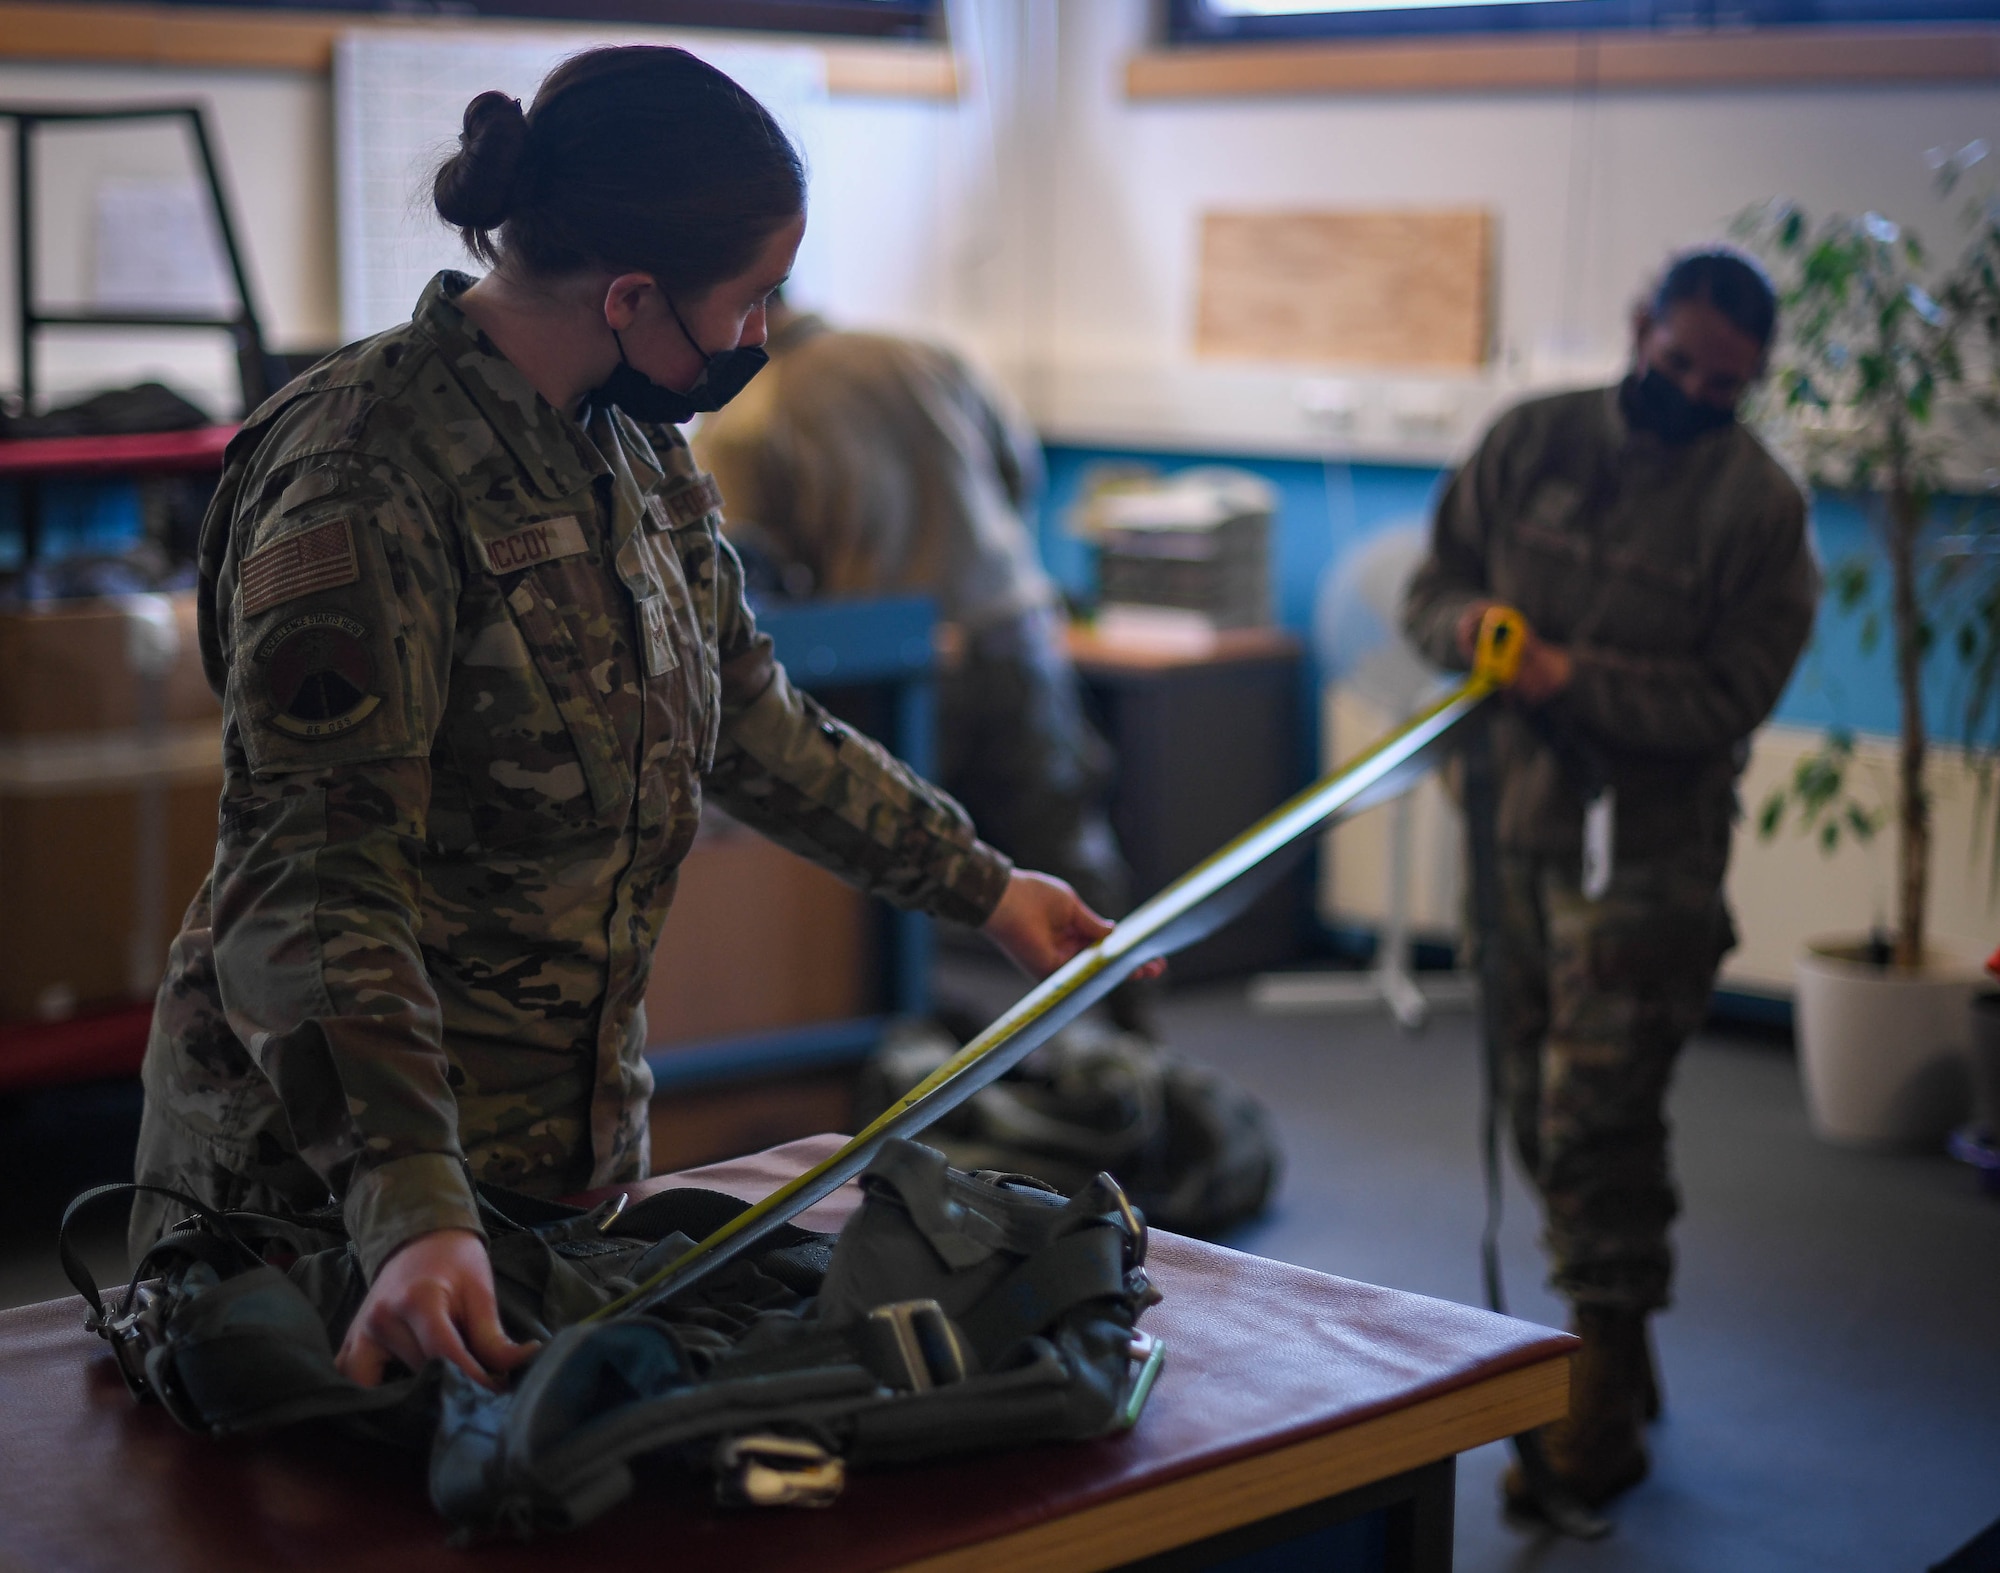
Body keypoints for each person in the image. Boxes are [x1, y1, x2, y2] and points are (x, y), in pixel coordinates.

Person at [129, 46, 1135, 1394]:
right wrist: (416, 1212)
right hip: (326, 1205)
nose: (765, 335)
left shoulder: (629, 447)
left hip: (549, 1184)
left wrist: (981, 883)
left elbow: (754, 724)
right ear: (630, 296)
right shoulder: (362, 476)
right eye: (753, 298)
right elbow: (314, 890)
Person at [1402, 248, 1819, 1513]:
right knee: (1537, 1112)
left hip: (1646, 861)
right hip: (1512, 834)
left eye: (1724, 384)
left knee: (1596, 1121)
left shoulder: (1758, 512)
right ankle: (1621, 1351)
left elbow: (1729, 697)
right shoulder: (1528, 440)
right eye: (1678, 362)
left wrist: (1570, 682)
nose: (1691, 392)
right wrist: (1470, 632)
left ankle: (1596, 1430)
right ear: (1641, 326)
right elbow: (1431, 587)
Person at [692, 298, 1144, 1027]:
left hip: (902, 658)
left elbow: (747, 566)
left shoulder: (744, 411)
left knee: (881, 863)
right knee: (1068, 847)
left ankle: (898, 1064)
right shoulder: (924, 352)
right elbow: (1017, 472)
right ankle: (1136, 1042)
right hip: (1016, 627)